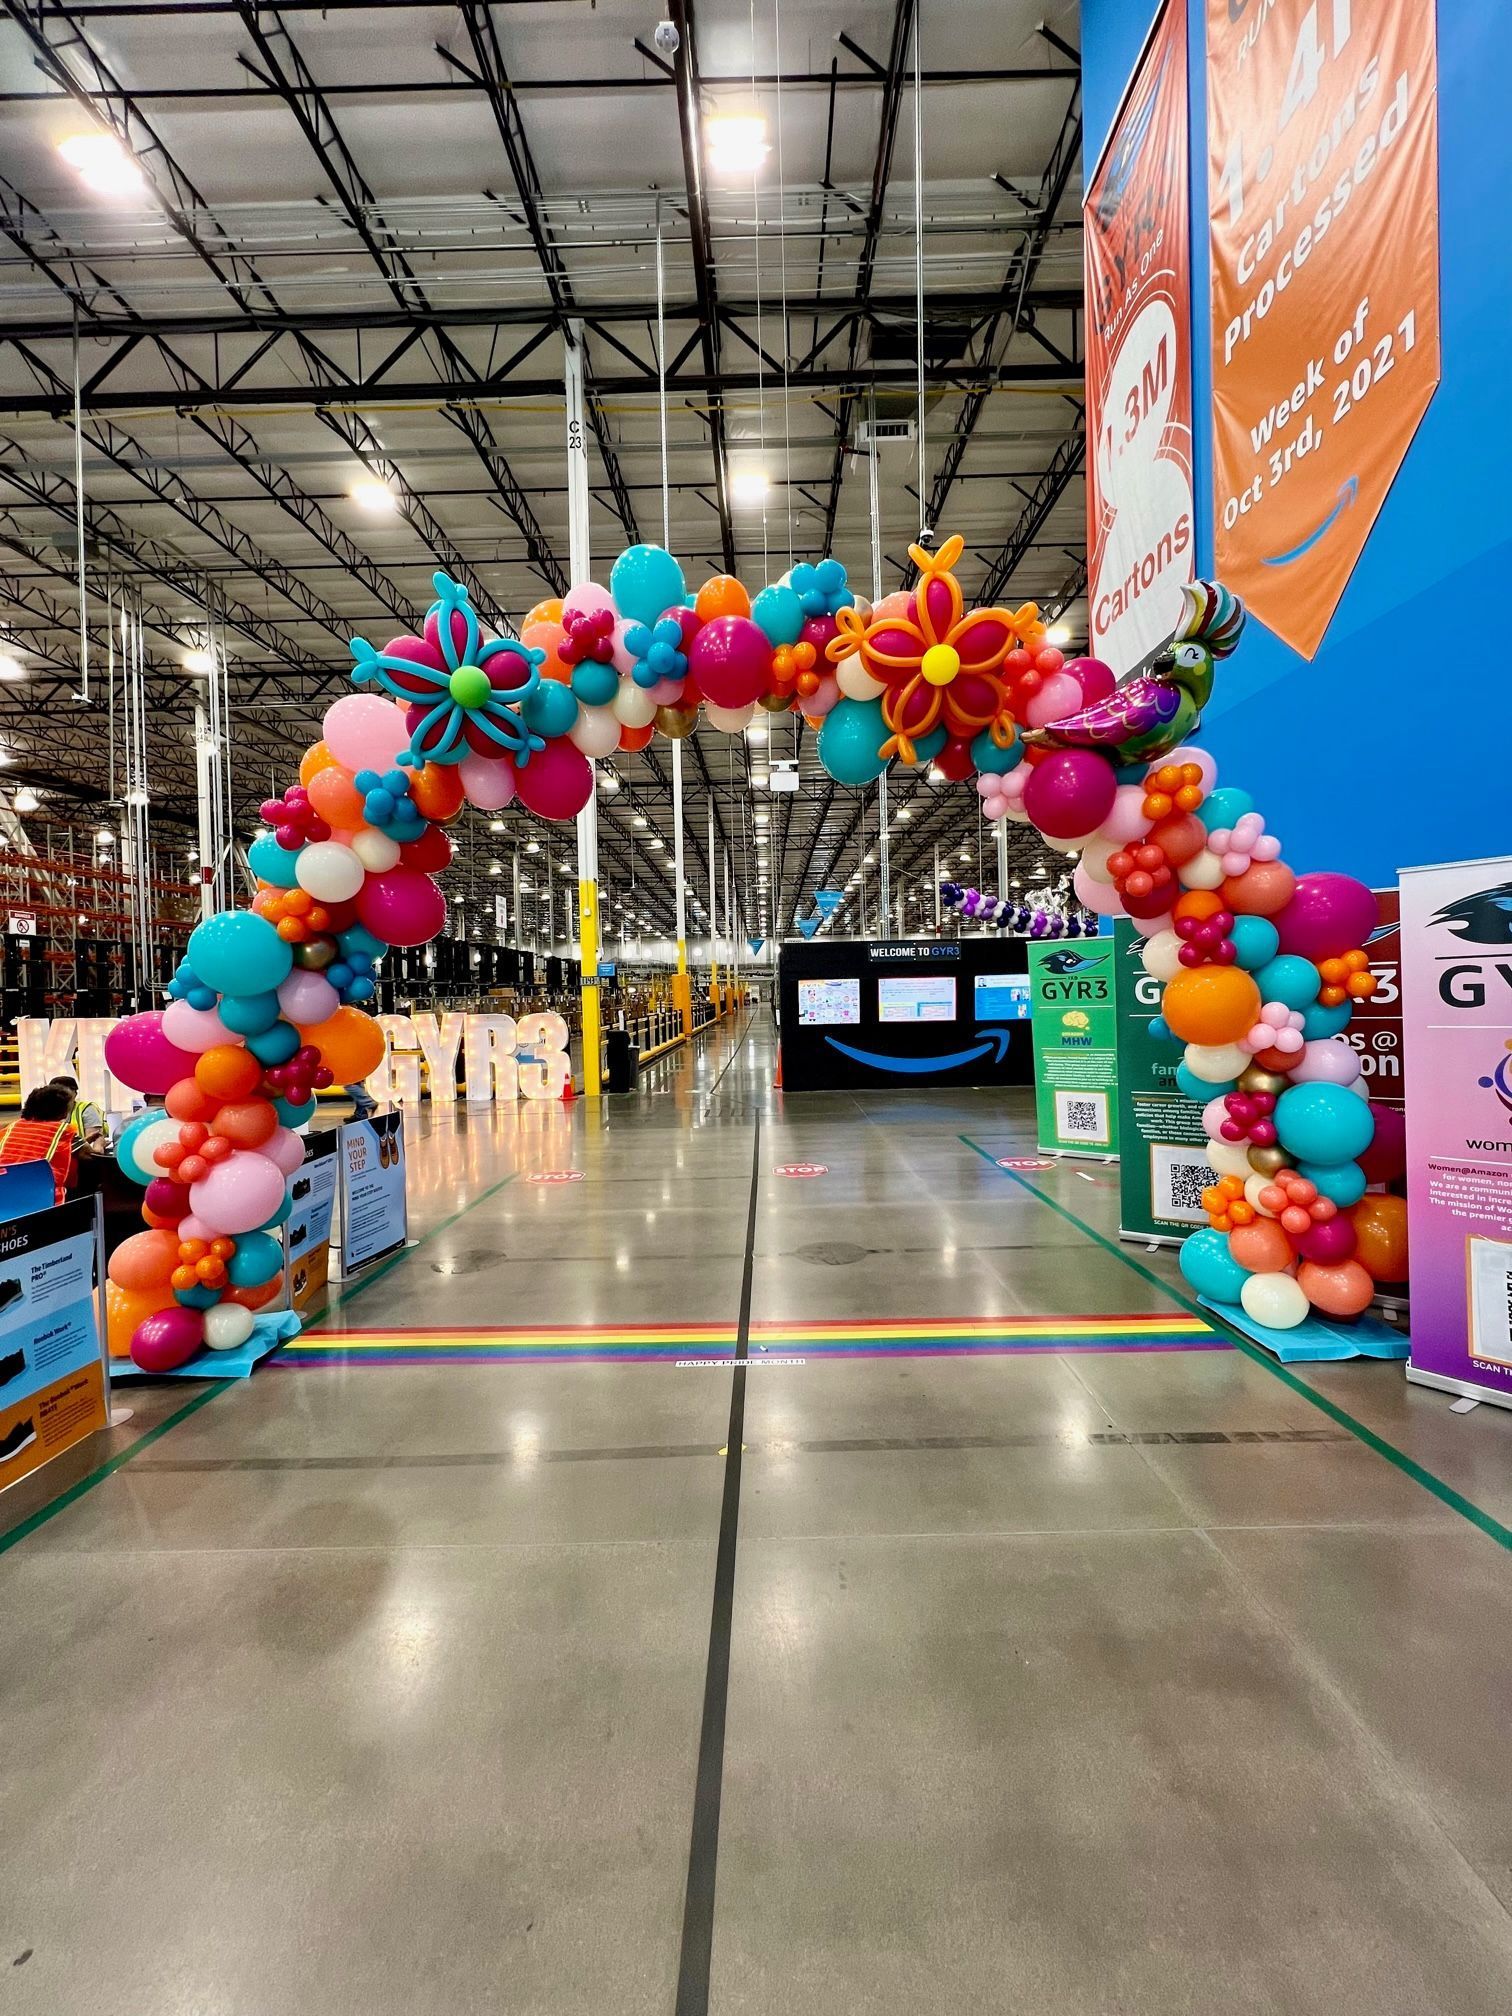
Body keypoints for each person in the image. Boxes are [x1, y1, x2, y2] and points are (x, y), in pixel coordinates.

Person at [0, 1086, 77, 1203]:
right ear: (61, 1111)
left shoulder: (12, 1127)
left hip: (4, 1199)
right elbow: (90, 1154)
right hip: (43, 1202)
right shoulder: (63, 1130)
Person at [49, 1074, 108, 1150]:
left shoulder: (86, 1109)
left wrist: (96, 1148)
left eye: (64, 1092)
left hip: (82, 1156)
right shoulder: (45, 1112)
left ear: (75, 1093)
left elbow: (95, 1141)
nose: (61, 1096)